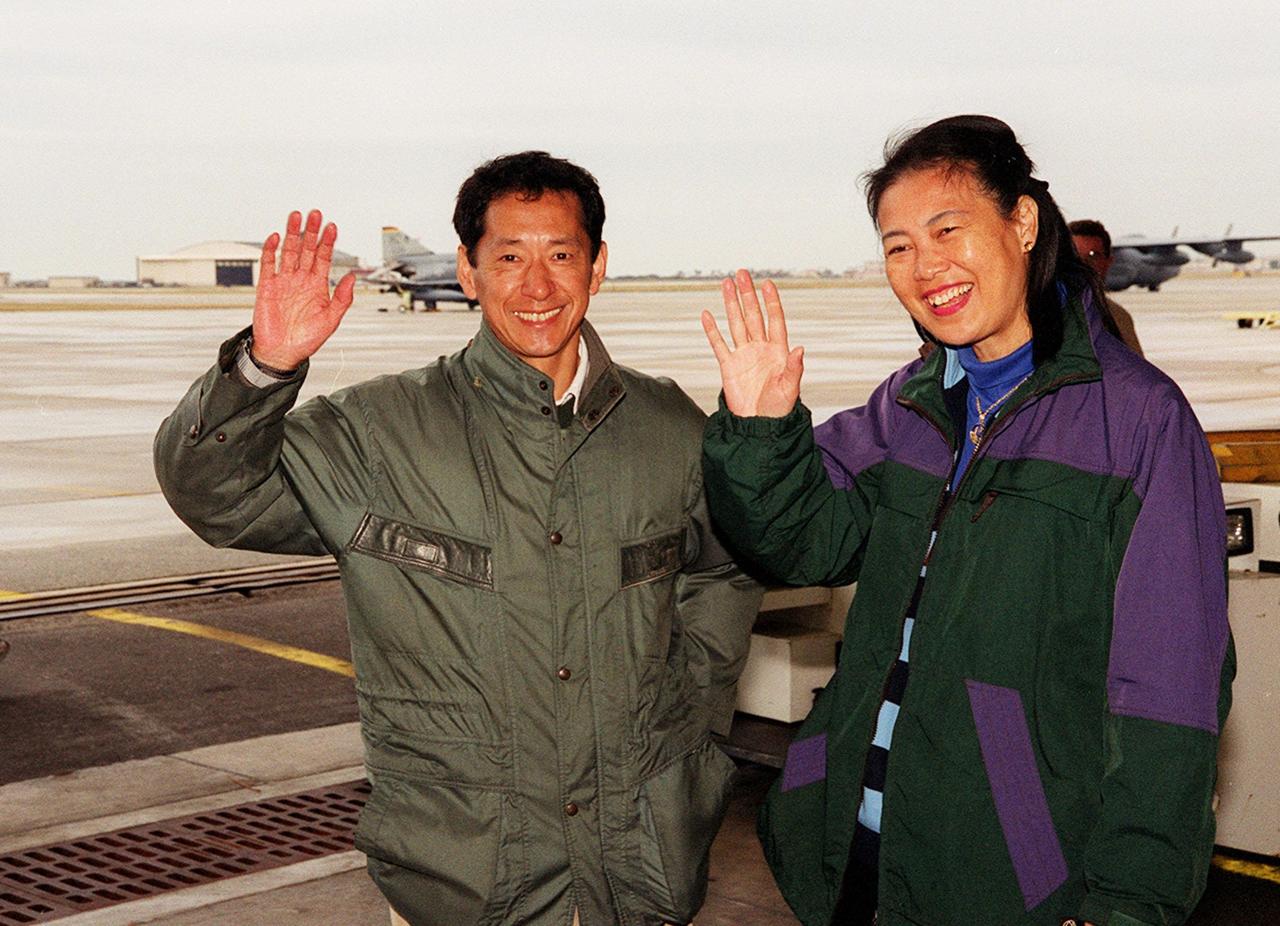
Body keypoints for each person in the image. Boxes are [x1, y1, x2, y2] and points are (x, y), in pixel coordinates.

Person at [154, 151, 761, 926]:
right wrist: (266, 367)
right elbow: (214, 496)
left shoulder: (669, 427)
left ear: (598, 266)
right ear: (469, 273)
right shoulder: (379, 434)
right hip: (471, 880)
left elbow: (725, 568)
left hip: (641, 869)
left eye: (561, 255)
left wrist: (690, 716)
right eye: (508, 258)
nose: (536, 286)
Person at [700, 116, 1232, 926]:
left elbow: (1169, 694)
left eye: (948, 229)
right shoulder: (909, 403)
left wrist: (1130, 902)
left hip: (1005, 877)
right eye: (899, 244)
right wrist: (763, 429)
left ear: (1021, 223)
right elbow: (802, 544)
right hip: (852, 852)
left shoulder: (1138, 424)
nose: (925, 266)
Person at [1069, 218, 1144, 355]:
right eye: (1074, 256)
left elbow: (1136, 371)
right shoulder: (1033, 314)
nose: (1083, 264)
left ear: (1108, 262)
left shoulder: (1118, 318)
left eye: (1093, 256)